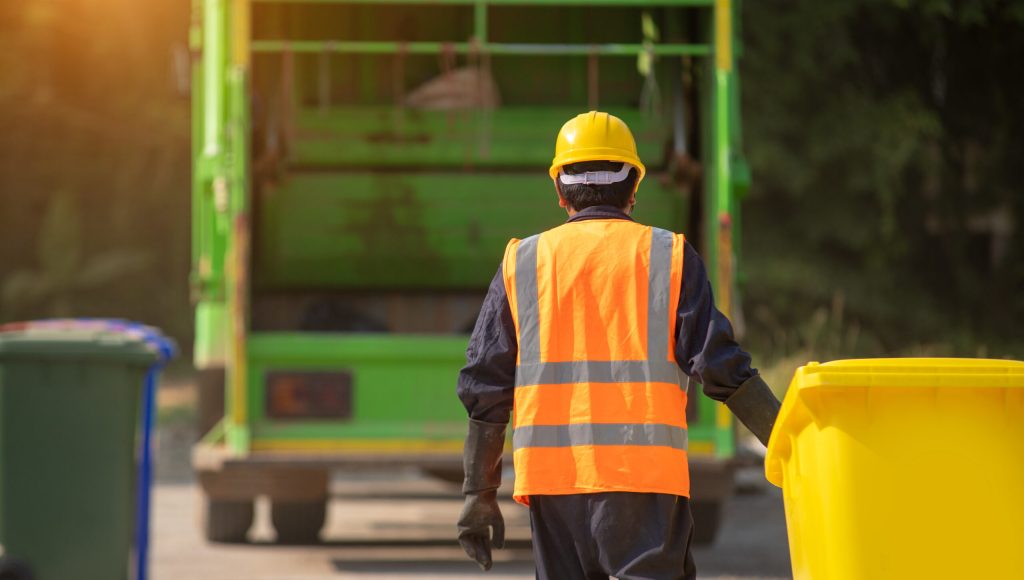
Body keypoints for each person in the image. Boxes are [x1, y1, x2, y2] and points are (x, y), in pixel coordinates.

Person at [456, 111, 781, 580]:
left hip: (555, 489)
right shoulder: (667, 255)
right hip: (644, 485)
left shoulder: (522, 262)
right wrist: (786, 441)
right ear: (634, 187)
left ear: (559, 189)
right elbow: (719, 364)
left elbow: (484, 383)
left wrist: (477, 496)